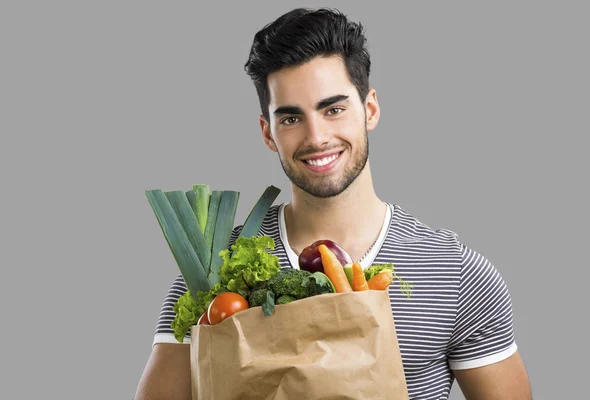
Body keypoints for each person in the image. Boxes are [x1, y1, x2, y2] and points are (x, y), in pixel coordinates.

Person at [135, 8, 532, 400]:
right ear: (268, 133)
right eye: (291, 119)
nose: (317, 136)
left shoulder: (455, 274)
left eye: (334, 109)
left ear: (370, 109)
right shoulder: (212, 276)